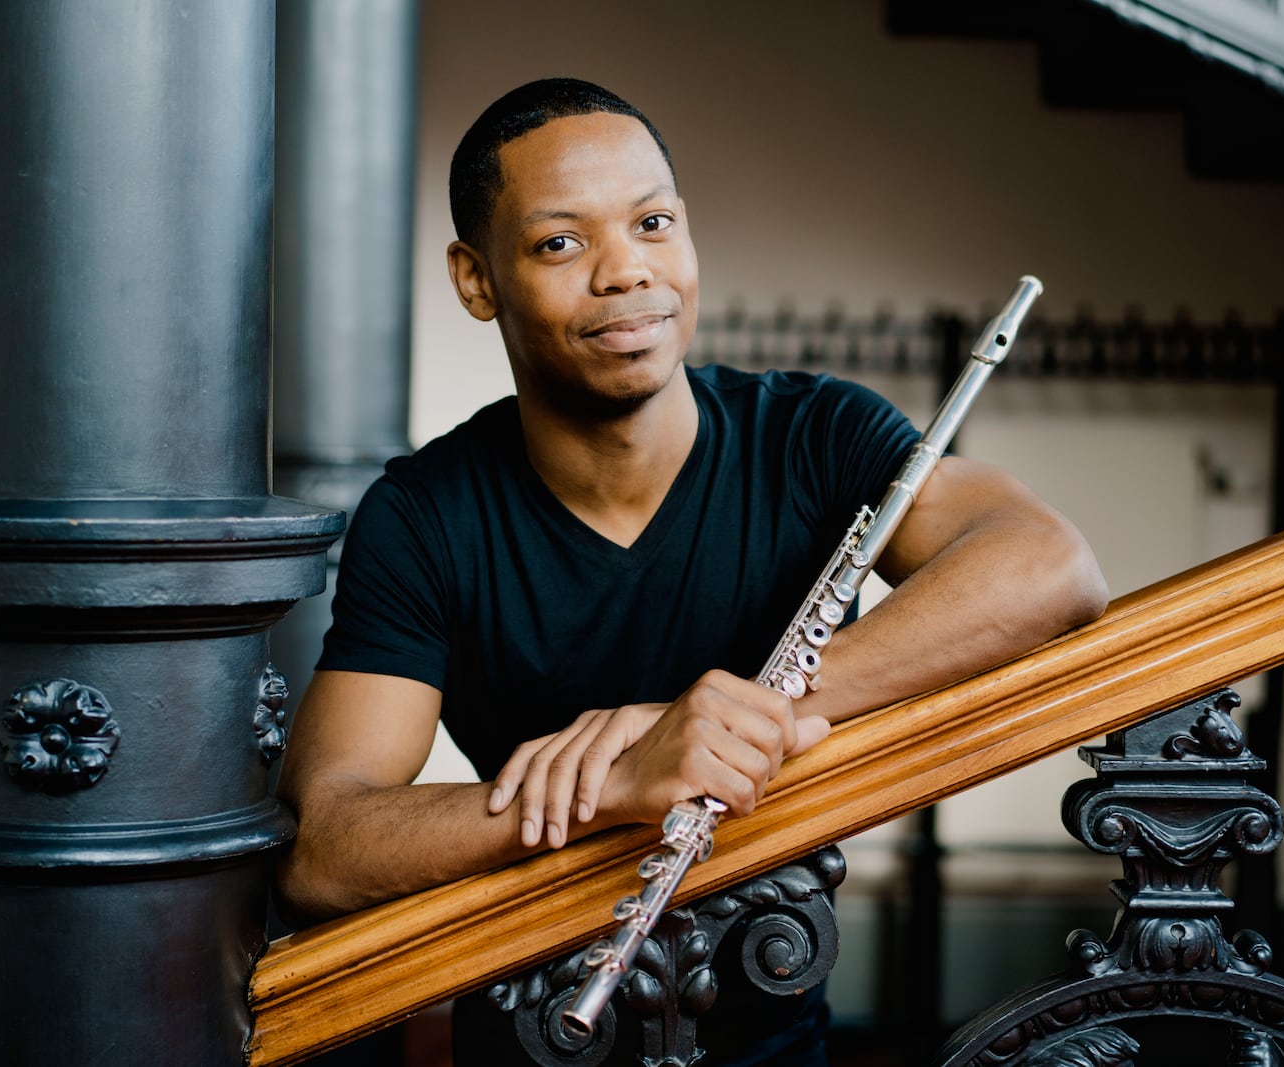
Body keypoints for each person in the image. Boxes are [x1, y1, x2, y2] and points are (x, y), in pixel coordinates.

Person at [275, 77, 1109, 1065]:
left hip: (774, 1022)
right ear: (475, 279)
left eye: (653, 222)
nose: (627, 272)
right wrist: (618, 778)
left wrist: (732, 712)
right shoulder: (424, 513)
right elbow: (326, 842)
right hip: (529, 1031)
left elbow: (1051, 567)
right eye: (559, 242)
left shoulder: (812, 433)